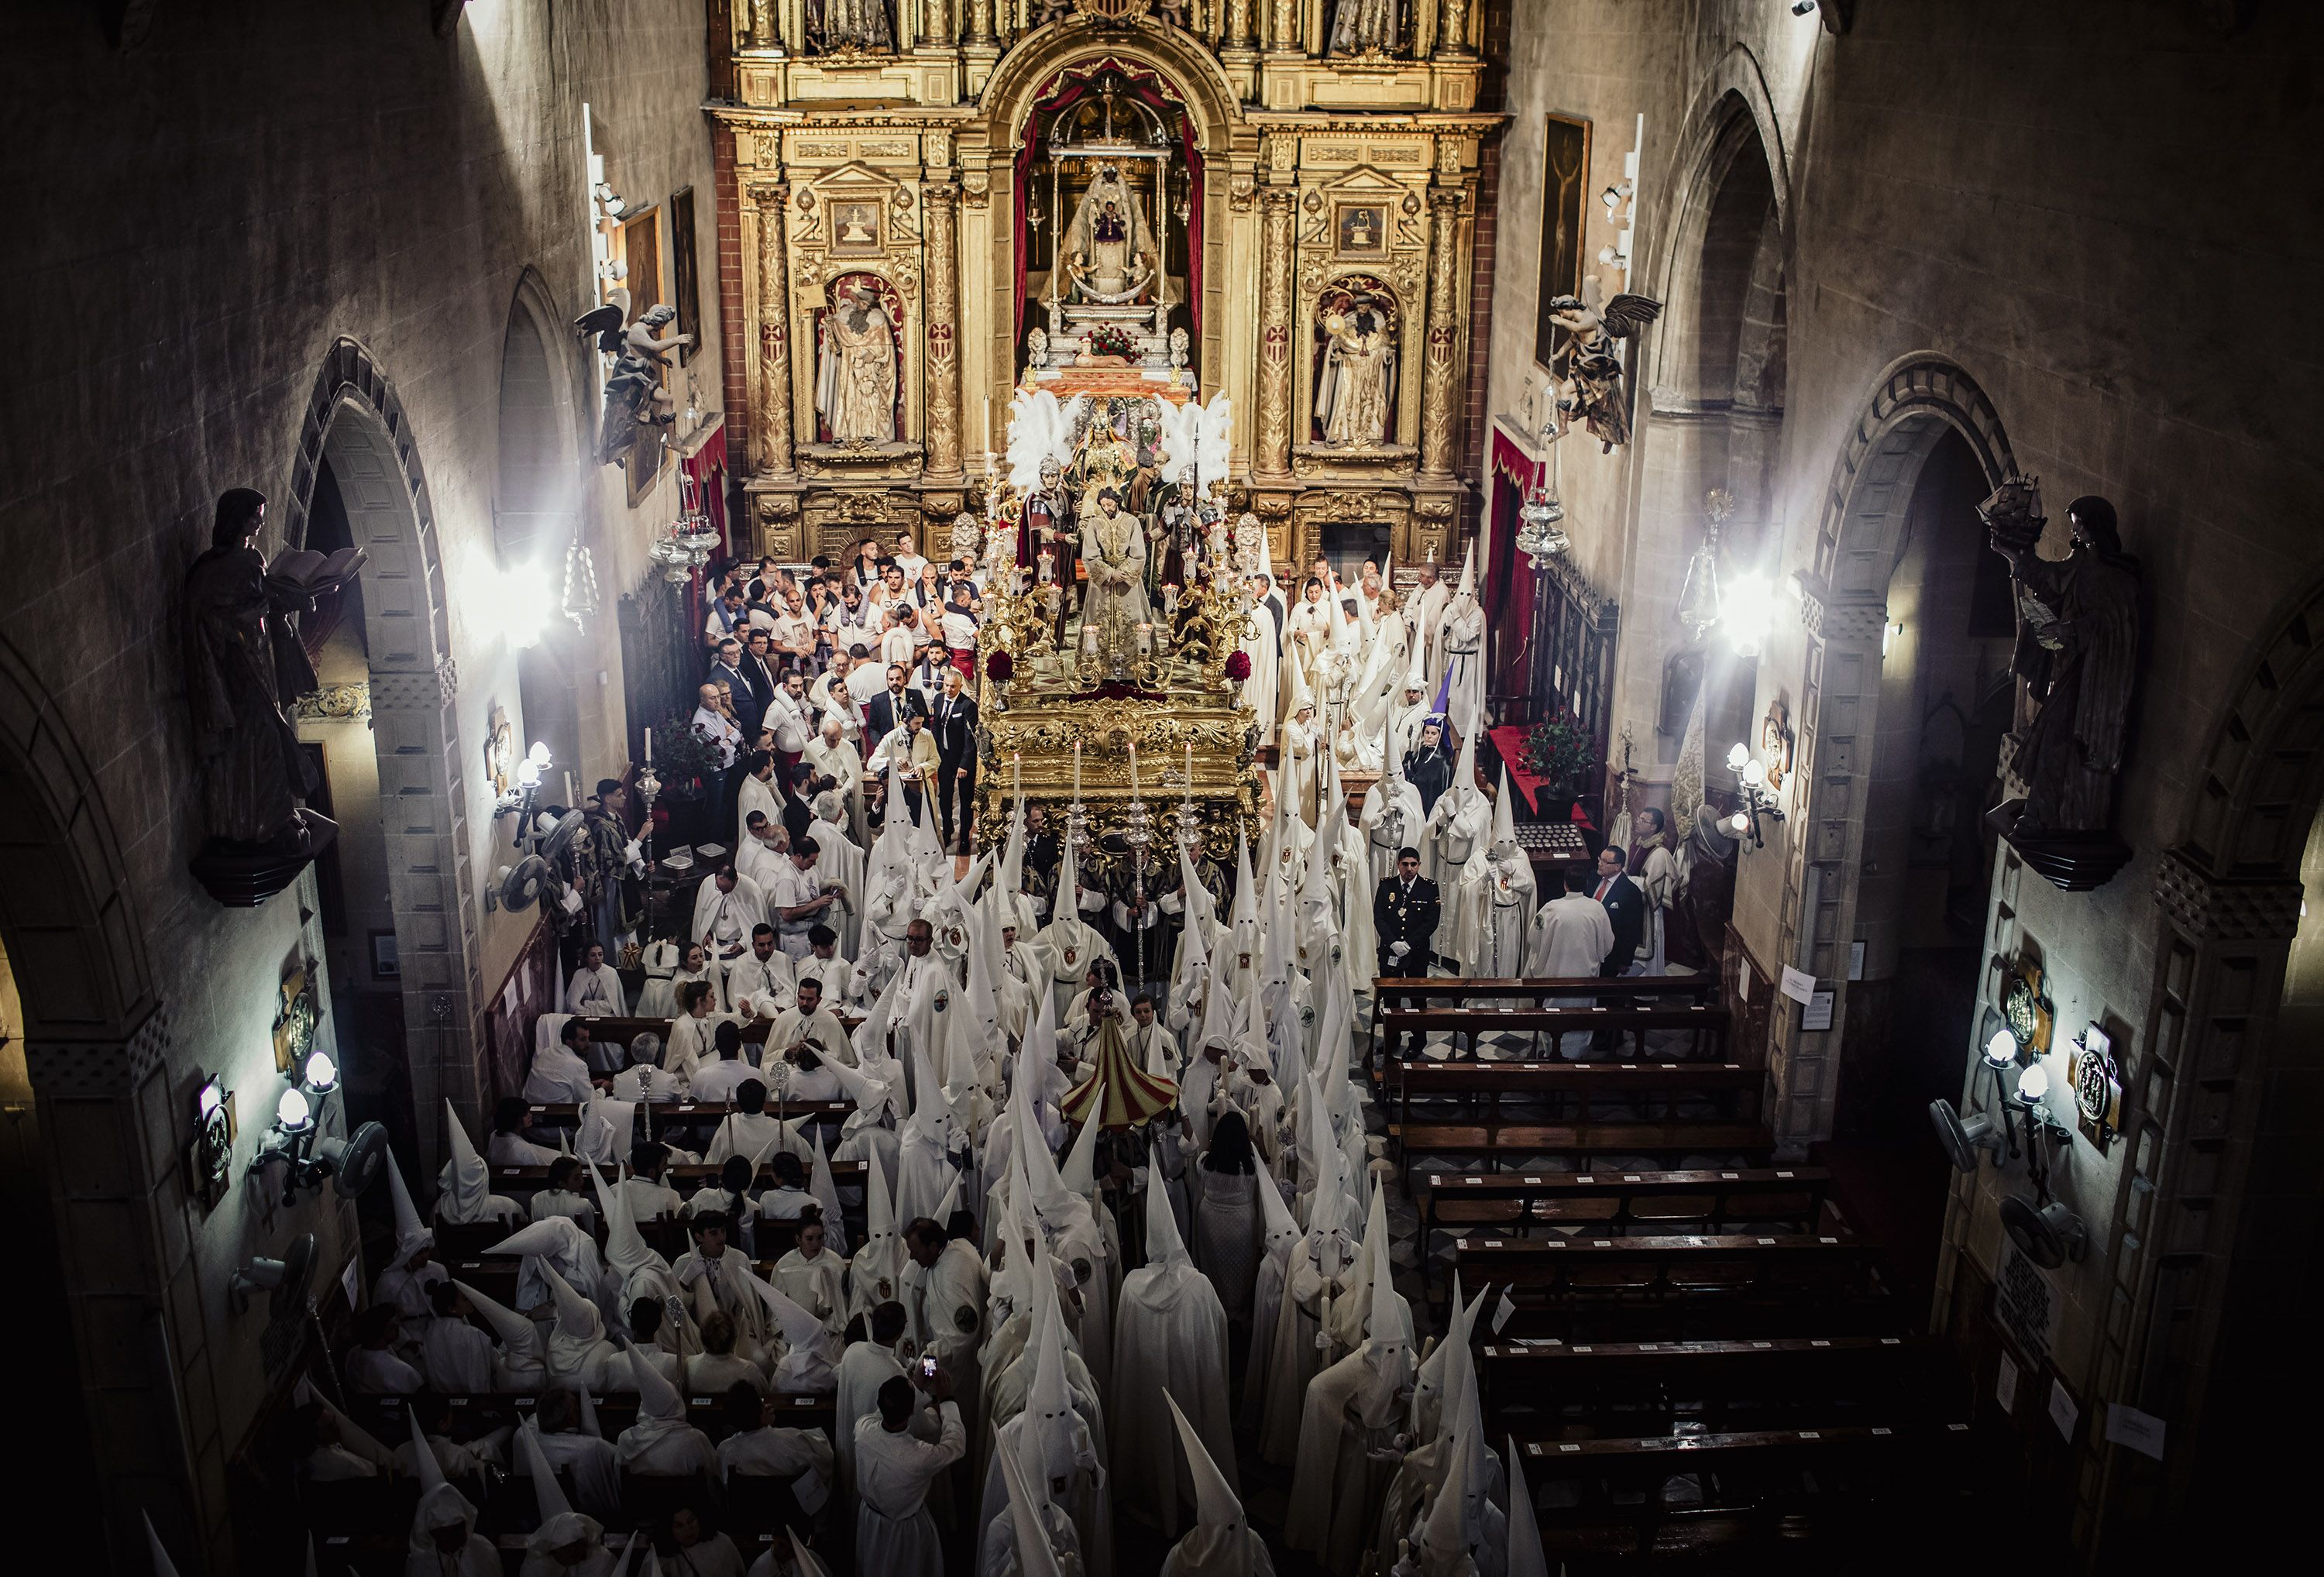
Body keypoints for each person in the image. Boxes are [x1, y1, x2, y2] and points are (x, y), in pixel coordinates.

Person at [854, 1370, 966, 1577]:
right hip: (904, 1533)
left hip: (870, 1520)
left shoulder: (862, 1429)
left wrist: (916, 1387)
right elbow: (956, 1445)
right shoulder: (918, 1456)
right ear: (912, 1413)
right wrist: (947, 1400)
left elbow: (882, 1413)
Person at [1525, 864, 1618, 1059]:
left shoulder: (1551, 908)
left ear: (1565, 884)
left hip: (1555, 977)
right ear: (1586, 884)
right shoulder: (1597, 908)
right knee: (1582, 1016)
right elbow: (1608, 944)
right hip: (1585, 978)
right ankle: (1577, 1056)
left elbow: (1533, 938)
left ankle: (1553, 1054)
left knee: (1554, 1015)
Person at [717, 1382, 836, 1507]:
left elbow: (720, 1489)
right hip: (793, 1513)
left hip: (746, 1515)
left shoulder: (724, 1451)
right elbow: (826, 1460)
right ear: (761, 1409)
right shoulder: (792, 1439)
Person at [929, 665, 978, 853]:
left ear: (960, 687)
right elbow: (936, 727)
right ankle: (948, 829)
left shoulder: (968, 706)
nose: (949, 690)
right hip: (944, 757)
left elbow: (970, 738)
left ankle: (964, 836)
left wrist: (964, 764)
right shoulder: (939, 699)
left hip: (962, 758)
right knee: (944, 797)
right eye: (947, 685)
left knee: (965, 799)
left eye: (953, 687)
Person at [1373, 847, 1439, 978]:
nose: (1409, 868)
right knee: (1390, 991)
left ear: (1419, 865)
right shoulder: (1386, 886)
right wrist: (1393, 943)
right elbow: (1379, 918)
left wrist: (1408, 944)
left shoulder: (1429, 888)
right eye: (1405, 864)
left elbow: (1431, 922)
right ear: (1398, 864)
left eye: (1413, 864)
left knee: (1416, 991)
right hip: (1390, 950)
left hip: (1417, 953)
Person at [689, 1310, 768, 1396]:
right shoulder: (750, 1371)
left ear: (702, 1339)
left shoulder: (689, 1366)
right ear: (734, 1341)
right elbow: (765, 1395)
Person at [525, 1019, 598, 1105]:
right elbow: (589, 1101)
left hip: (530, 1107)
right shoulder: (578, 1065)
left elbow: (559, 1081)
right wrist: (603, 1089)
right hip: (557, 1111)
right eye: (583, 1039)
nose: (589, 1043)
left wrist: (590, 1085)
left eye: (588, 1038)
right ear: (569, 1042)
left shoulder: (546, 1052)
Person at [488, 1097, 562, 1166]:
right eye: (526, 1114)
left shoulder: (494, 1134)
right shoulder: (523, 1149)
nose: (530, 1115)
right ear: (515, 1119)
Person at [565, 940, 627, 1018]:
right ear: (586, 958)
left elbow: (609, 1006)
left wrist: (585, 1003)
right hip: (583, 1016)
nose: (597, 958)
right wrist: (589, 1013)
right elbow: (573, 1005)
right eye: (593, 955)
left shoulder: (611, 973)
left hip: (606, 1016)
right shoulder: (579, 974)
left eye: (600, 954)